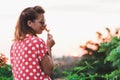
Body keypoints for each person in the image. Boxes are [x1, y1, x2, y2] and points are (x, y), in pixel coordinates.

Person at [10, 5, 55, 80]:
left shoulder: (14, 45)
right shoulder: (38, 42)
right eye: (41, 22)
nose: (44, 25)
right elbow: (49, 70)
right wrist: (49, 47)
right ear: (30, 23)